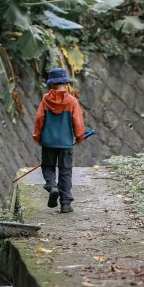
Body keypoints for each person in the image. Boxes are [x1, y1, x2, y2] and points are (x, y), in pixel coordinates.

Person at [33, 68, 85, 213]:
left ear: (51, 85)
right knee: (65, 171)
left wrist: (37, 136)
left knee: (48, 166)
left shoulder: (45, 99)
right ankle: (65, 203)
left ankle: (52, 186)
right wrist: (80, 136)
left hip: (48, 142)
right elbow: (78, 121)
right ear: (65, 83)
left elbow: (39, 119)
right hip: (65, 143)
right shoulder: (72, 101)